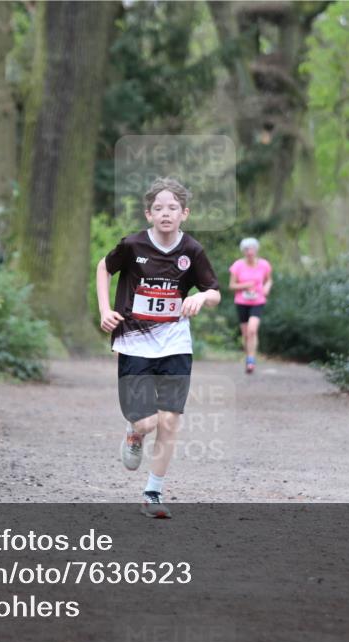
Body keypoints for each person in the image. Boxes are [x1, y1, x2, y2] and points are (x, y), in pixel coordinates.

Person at [96, 177, 221, 518]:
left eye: (173, 208)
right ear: (148, 214)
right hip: (134, 341)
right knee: (147, 422)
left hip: (175, 343)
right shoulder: (133, 245)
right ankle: (133, 434)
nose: (166, 214)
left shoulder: (192, 251)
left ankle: (153, 492)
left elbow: (215, 291)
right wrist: (106, 310)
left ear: (185, 213)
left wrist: (201, 296)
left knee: (170, 421)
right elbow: (104, 268)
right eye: (159, 208)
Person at [228, 238, 272, 373]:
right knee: (246, 333)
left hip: (258, 301)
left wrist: (266, 288)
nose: (250, 252)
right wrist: (245, 285)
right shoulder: (237, 266)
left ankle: (251, 360)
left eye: (252, 249)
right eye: (247, 249)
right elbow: (231, 286)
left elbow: (269, 280)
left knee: (252, 330)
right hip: (242, 302)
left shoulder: (264, 265)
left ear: (256, 250)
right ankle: (248, 357)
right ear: (243, 251)